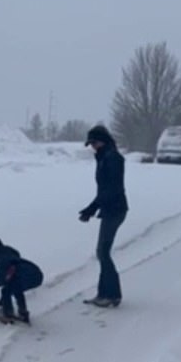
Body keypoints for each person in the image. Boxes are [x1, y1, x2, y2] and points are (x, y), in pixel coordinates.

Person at [79, 125, 128, 307]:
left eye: (94, 143)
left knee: (103, 252)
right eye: (91, 143)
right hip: (109, 209)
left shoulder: (112, 158)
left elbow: (112, 189)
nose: (93, 146)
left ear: (103, 141)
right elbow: (104, 190)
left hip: (115, 210)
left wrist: (92, 208)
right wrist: (92, 208)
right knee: (102, 252)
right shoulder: (104, 157)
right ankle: (104, 293)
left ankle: (112, 294)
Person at [0, 237, 44, 324]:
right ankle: (23, 313)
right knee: (16, 289)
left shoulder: (1, 260)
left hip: (26, 275)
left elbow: (1, 282)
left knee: (7, 290)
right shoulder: (9, 256)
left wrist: (2, 285)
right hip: (36, 273)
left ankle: (8, 315)